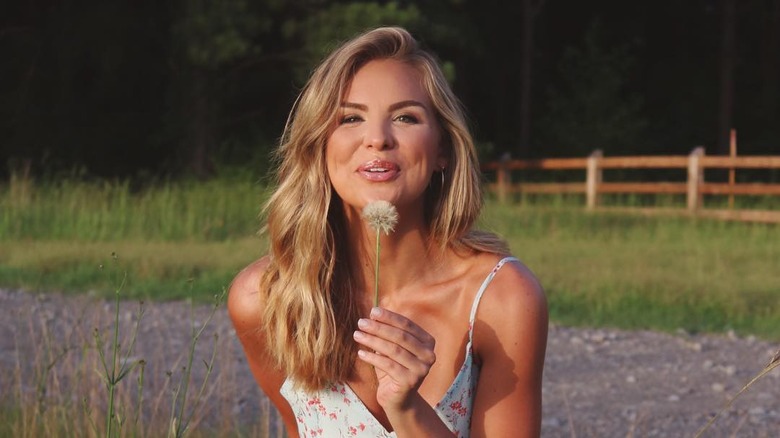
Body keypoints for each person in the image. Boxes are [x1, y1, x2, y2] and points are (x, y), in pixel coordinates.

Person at [228, 26, 548, 437]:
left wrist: (408, 408)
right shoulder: (266, 298)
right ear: (318, 147)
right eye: (350, 118)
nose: (377, 139)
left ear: (443, 151)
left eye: (405, 117)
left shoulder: (502, 298)